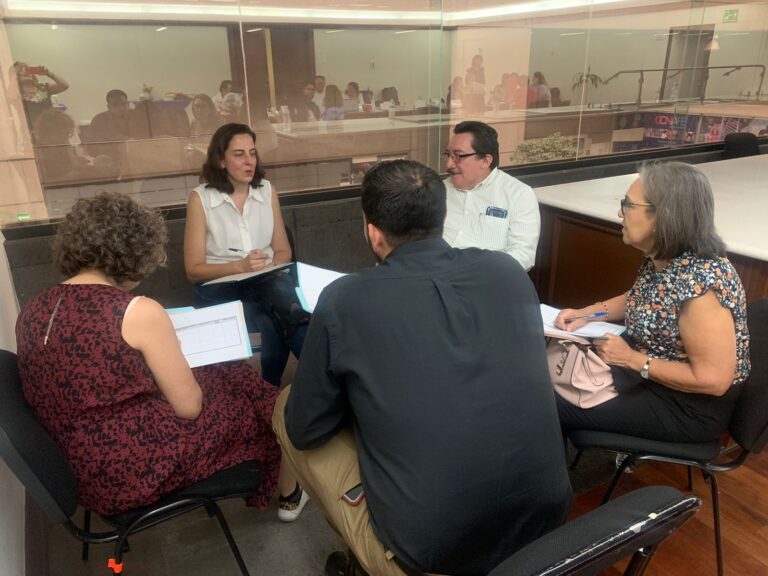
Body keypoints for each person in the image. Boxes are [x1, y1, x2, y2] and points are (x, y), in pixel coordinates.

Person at [273, 159, 571, 576]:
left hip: (431, 551)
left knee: (286, 408)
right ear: (442, 216)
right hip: (547, 522)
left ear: (372, 231)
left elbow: (306, 429)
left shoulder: (345, 300)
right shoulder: (507, 271)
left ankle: (367, 555)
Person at [15, 192, 308, 521]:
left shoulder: (34, 308)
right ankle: (290, 489)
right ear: (134, 253)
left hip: (76, 468)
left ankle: (287, 483)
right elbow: (189, 407)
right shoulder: (135, 311)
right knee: (251, 391)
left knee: (229, 376)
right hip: (132, 470)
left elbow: (89, 378)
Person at [555, 161, 750, 444]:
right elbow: (637, 299)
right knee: (550, 378)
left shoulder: (702, 286)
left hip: (686, 407)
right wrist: (586, 313)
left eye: (628, 205)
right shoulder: (666, 257)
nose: (620, 212)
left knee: (551, 404)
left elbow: (713, 380)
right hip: (652, 378)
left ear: (663, 216)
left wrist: (631, 359)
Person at [183, 123, 308, 388]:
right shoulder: (200, 199)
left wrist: (270, 266)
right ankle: (303, 379)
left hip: (264, 280)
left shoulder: (266, 190)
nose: (249, 161)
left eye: (252, 153)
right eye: (239, 154)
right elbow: (193, 270)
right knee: (283, 313)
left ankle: (274, 386)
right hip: (219, 285)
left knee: (277, 313)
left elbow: (284, 250)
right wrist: (240, 266)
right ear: (220, 160)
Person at [442, 120, 541, 270]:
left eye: (458, 156)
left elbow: (523, 254)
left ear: (485, 161)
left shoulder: (518, 194)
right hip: (437, 277)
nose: (449, 164)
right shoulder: (438, 190)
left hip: (487, 280)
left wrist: (483, 274)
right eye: (448, 155)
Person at [15, 62, 69, 133]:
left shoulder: (43, 89)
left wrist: (49, 74)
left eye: (27, 69)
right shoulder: (17, 94)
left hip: (53, 129)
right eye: (21, 70)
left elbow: (64, 85)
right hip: (33, 133)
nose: (25, 72)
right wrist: (15, 79)